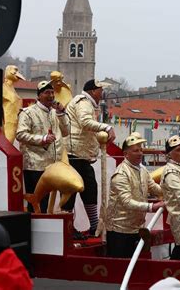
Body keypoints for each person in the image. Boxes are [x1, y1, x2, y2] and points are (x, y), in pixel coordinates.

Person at [62, 79, 116, 236]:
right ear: (93, 91)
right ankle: (68, 227)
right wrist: (106, 126)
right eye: (101, 90)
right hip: (73, 154)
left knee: (90, 188)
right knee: (70, 190)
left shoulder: (90, 104)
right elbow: (85, 122)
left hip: (81, 155)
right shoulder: (83, 102)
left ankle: (94, 225)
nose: (103, 93)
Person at [106, 132, 164, 258]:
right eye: (135, 151)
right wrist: (151, 207)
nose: (140, 153)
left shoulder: (142, 170)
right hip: (120, 230)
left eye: (141, 150)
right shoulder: (121, 174)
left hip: (137, 228)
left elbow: (154, 188)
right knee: (120, 269)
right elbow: (127, 202)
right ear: (126, 154)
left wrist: (172, 192)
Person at [16, 81, 69, 213]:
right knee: (36, 202)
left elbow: (66, 132)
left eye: (52, 93)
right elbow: (20, 134)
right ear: (39, 96)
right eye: (47, 93)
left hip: (52, 166)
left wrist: (62, 113)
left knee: (47, 202)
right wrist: (43, 139)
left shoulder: (54, 112)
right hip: (34, 164)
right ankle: (32, 231)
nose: (51, 95)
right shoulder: (28, 112)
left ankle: (42, 230)